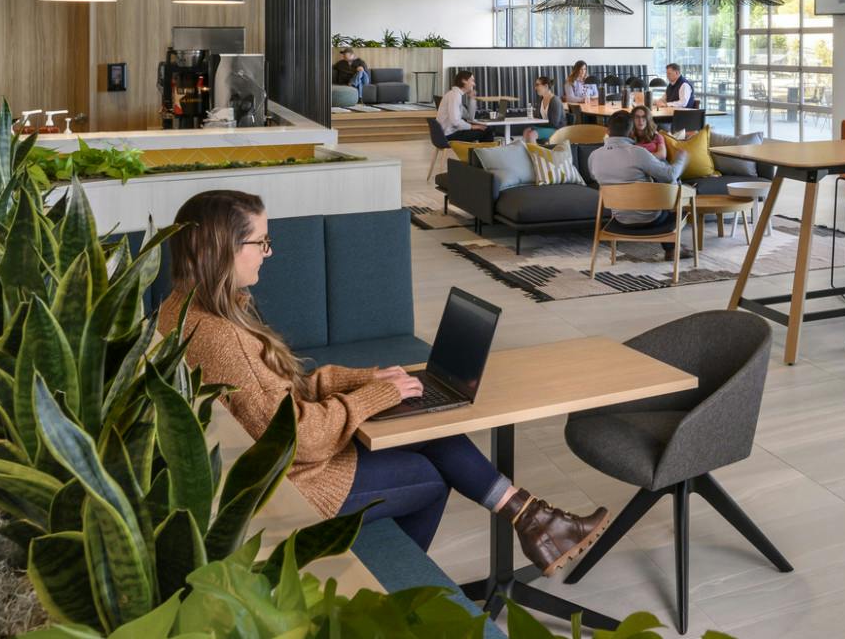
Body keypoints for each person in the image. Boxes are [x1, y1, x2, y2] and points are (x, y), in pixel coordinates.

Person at [157, 190, 608, 569]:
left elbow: (279, 393)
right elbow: (298, 439)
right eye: (261, 242)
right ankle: (392, 587)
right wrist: (370, 398)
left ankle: (535, 521)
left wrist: (367, 380)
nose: (269, 253)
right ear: (222, 248)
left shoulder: (182, 310)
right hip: (296, 485)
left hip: (275, 467)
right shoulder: (223, 338)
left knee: (423, 421)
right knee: (431, 479)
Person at [588, 109, 688, 259]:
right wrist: (681, 158)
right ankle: (673, 249)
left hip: (620, 220)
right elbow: (670, 175)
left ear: (607, 131)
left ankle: (673, 249)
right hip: (652, 220)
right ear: (630, 132)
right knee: (676, 195)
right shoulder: (638, 153)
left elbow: (594, 177)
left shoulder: (594, 156)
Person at [435, 70, 492, 143]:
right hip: (449, 135)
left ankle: (477, 150)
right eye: (472, 80)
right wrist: (472, 127)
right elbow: (455, 122)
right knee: (487, 130)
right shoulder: (455, 95)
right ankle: (485, 150)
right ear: (464, 81)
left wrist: (472, 99)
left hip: (448, 133)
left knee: (483, 128)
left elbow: (469, 117)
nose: (474, 84)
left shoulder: (455, 94)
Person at [562, 60, 593, 124]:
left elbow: (596, 93)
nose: (583, 71)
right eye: (581, 69)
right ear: (576, 70)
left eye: (584, 69)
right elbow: (570, 98)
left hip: (590, 106)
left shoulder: (589, 80)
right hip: (577, 109)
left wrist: (591, 98)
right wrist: (583, 99)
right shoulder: (570, 81)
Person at [532, 76, 560, 143]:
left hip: (556, 130)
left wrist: (538, 124)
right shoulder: (541, 99)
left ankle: (536, 150)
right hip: (546, 127)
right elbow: (536, 116)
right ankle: (536, 149)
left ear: (546, 86)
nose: (535, 88)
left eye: (537, 85)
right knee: (526, 131)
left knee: (531, 134)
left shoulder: (555, 101)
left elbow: (554, 124)